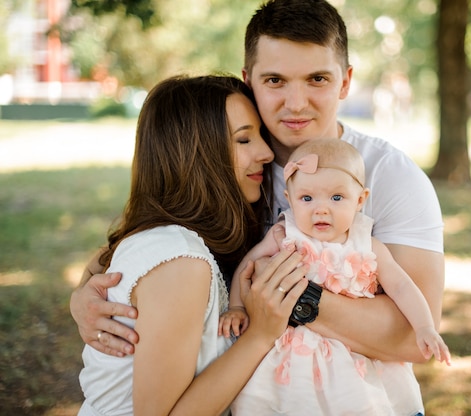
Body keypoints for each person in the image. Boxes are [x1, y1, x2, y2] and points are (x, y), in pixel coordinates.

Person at [72, 0, 444, 384]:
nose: (296, 103)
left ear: (346, 81)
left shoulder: (391, 176)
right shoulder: (230, 161)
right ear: (249, 80)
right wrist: (82, 297)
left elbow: (416, 339)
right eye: (275, 80)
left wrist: (294, 297)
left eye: (317, 79)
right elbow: (142, 241)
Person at [77, 74, 309, 415]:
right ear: (195, 154)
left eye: (260, 136)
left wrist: (79, 296)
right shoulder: (179, 262)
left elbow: (98, 267)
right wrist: (259, 335)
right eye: (244, 140)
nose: (265, 152)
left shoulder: (169, 243)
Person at [220, 139, 450, 415]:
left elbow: (401, 286)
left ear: (360, 200)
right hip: (296, 356)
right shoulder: (284, 235)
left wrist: (424, 326)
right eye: (307, 198)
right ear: (290, 198)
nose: (321, 209)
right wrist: (236, 307)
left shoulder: (368, 243)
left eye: (336, 198)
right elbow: (248, 267)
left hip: (357, 355)